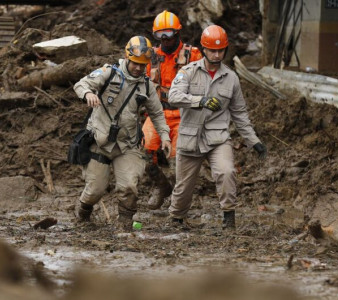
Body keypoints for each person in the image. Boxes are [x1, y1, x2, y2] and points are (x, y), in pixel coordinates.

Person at [167, 25, 267, 229]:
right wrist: (199, 101)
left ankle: (229, 218)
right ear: (203, 49)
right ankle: (176, 219)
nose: (216, 54)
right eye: (212, 50)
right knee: (184, 184)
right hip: (190, 136)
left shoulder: (231, 78)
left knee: (227, 172)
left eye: (220, 50)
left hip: (218, 138)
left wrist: (253, 141)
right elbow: (173, 97)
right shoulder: (188, 72)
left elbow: (240, 113)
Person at [73, 36, 171, 229]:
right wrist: (88, 94)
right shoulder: (109, 73)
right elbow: (81, 84)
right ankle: (82, 215)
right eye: (135, 63)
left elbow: (157, 114)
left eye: (143, 65)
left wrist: (165, 137)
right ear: (127, 57)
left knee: (129, 187)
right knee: (95, 190)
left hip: (127, 144)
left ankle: (125, 224)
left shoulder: (147, 86)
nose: (138, 68)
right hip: (99, 142)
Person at [142, 10, 203, 210]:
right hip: (157, 113)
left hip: (183, 114)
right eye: (160, 35)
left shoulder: (192, 55)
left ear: (177, 33)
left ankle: (181, 201)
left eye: (168, 34)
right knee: (143, 152)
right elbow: (141, 85)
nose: (165, 39)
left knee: (181, 160)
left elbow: (203, 84)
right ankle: (161, 187)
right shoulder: (151, 57)